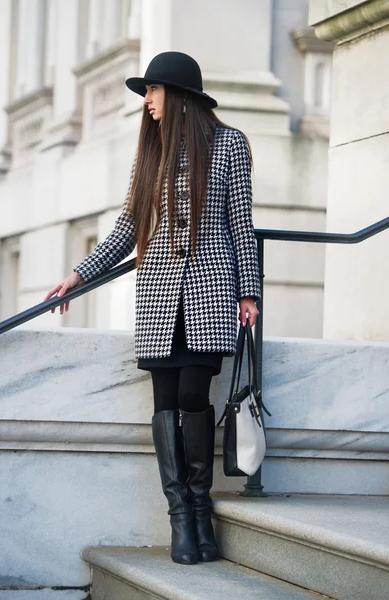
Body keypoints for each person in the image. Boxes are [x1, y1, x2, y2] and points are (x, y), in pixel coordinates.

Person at [45, 51, 260, 566]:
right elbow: (125, 229)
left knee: (194, 393)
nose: (146, 101)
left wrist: (248, 291)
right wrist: (79, 275)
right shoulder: (150, 155)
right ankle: (181, 518)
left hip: (211, 288)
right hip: (161, 295)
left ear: (178, 95)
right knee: (165, 400)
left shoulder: (229, 145)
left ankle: (200, 508)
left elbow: (241, 224)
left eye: (153, 91)